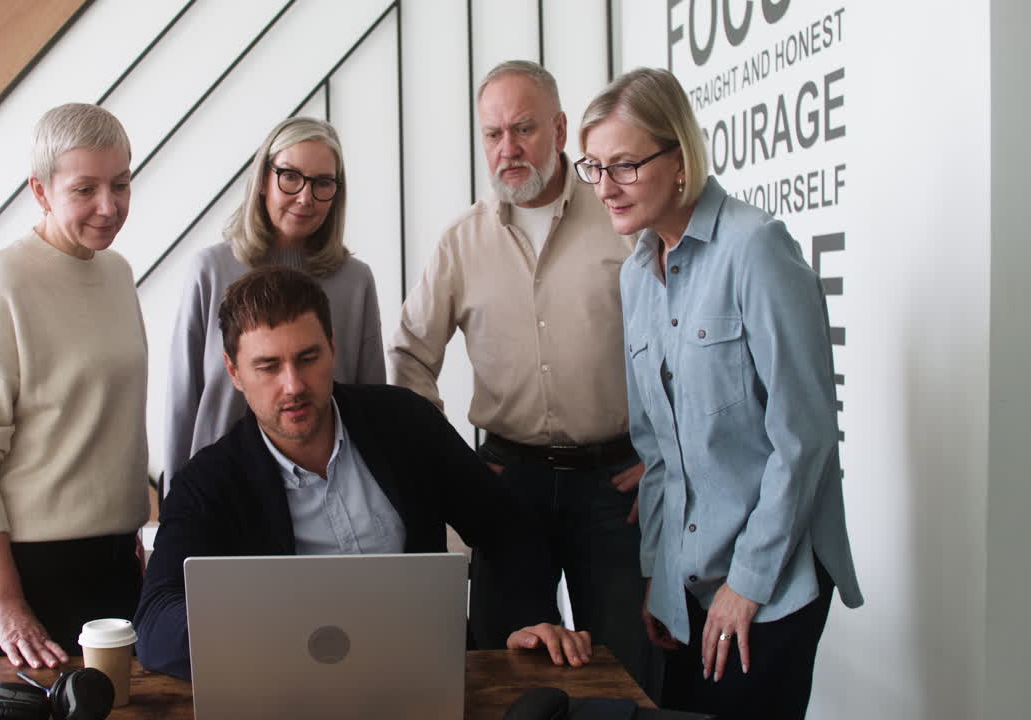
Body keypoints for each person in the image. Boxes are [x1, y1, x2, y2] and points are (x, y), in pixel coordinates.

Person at [135, 266, 590, 680]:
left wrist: (530, 617)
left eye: (308, 358)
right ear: (234, 373)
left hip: (426, 678)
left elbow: (504, 523)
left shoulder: (404, 423)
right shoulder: (208, 483)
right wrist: (264, 636)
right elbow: (156, 621)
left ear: (333, 349)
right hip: (289, 693)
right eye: (268, 366)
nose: (293, 385)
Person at [576, 67, 863, 719]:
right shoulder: (634, 278)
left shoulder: (756, 248)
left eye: (622, 165)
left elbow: (805, 438)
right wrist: (660, 574)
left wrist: (748, 585)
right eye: (592, 167)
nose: (604, 188)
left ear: (678, 158)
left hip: (774, 579)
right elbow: (656, 453)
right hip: (691, 582)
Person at [388, 60, 653, 689]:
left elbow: (673, 345)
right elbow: (407, 358)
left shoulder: (619, 218)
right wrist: (452, 468)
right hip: (507, 485)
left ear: (560, 129)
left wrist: (665, 454)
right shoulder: (462, 241)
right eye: (492, 134)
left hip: (613, 487)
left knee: (622, 674)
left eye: (524, 129)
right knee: (510, 674)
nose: (507, 149)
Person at [0, 103, 151, 669]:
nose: (109, 207)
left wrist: (128, 535)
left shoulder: (118, 273)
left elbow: (105, 421)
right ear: (40, 190)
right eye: (85, 189)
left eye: (121, 184)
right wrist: (5, 602)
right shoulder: (2, 281)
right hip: (30, 570)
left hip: (114, 564)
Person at [162, 116, 385, 495]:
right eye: (290, 176)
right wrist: (175, 496)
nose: (305, 197)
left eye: (322, 183)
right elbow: (183, 397)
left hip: (326, 490)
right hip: (222, 490)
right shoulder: (211, 269)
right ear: (264, 180)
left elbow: (372, 402)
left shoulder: (355, 280)